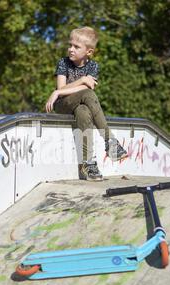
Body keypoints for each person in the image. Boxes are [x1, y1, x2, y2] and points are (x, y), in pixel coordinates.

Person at [45, 26, 127, 181]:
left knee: (83, 111)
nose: (71, 49)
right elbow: (64, 88)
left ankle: (88, 164)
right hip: (63, 105)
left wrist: (59, 91)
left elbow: (86, 88)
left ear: (88, 52)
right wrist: (61, 90)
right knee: (88, 94)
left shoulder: (93, 66)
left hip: (78, 105)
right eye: (70, 45)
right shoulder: (63, 63)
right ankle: (110, 141)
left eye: (76, 47)